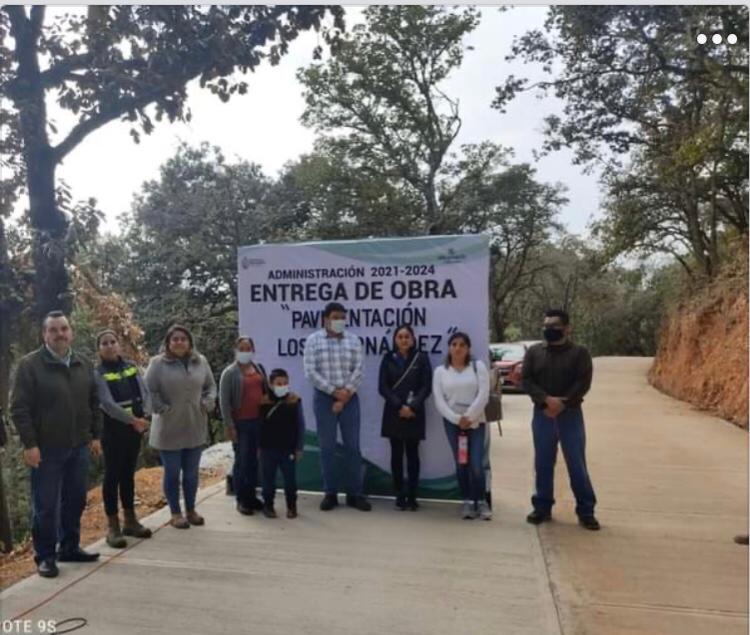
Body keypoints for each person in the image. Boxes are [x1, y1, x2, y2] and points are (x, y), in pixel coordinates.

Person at [10, 311, 103, 578]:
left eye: (64, 329)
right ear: (45, 335)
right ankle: (46, 556)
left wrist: (95, 436)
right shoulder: (30, 365)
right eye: (53, 330)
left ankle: (70, 547)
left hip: (79, 446)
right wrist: (30, 445)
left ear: (71, 332)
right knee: (46, 505)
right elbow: (19, 409)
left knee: (75, 500)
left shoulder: (83, 363)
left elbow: (93, 403)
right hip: (46, 449)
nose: (60, 334)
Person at [522, 309, 600, 531]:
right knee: (543, 463)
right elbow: (527, 380)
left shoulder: (580, 353)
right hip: (542, 414)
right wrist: (546, 400)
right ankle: (542, 507)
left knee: (576, 464)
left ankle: (586, 511)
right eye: (545, 326)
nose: (549, 330)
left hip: (570, 415)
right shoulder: (534, 352)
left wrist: (563, 403)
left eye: (554, 326)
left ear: (567, 328)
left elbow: (583, 382)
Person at [146, 325, 216, 529]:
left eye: (183, 339)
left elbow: (210, 386)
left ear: (189, 342)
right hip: (169, 427)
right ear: (168, 343)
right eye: (174, 339)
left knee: (192, 472)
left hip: (194, 424)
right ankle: (175, 513)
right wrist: (161, 408)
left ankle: (191, 510)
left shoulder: (200, 361)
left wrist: (208, 401)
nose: (179, 342)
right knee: (173, 472)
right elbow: (149, 390)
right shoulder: (157, 364)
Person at [303, 302, 371, 512]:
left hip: (350, 399)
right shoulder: (313, 340)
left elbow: (359, 370)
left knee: (353, 447)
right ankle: (330, 493)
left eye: (342, 317)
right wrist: (334, 393)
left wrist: (345, 395)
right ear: (325, 319)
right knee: (327, 448)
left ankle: (355, 494)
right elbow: (310, 372)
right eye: (335, 316)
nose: (340, 320)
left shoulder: (354, 340)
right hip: (324, 399)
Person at [94, 330, 153, 548]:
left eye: (113, 341)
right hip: (113, 431)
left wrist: (145, 416)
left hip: (134, 431)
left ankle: (130, 520)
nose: (109, 345)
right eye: (104, 343)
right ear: (99, 349)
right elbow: (107, 404)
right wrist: (133, 420)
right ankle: (113, 527)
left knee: (128, 474)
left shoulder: (131, 367)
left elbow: (145, 392)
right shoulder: (97, 373)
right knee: (112, 476)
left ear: (119, 345)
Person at [432, 332, 491, 520]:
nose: (457, 348)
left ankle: (481, 502)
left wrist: (469, 416)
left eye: (462, 345)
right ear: (449, 347)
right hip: (452, 423)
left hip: (475, 422)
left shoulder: (478, 367)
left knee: (476, 464)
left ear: (468, 349)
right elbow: (439, 400)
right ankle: (466, 501)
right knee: (461, 463)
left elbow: (484, 394)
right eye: (454, 344)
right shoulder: (440, 371)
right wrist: (457, 419)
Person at [378, 324, 432, 511]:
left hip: (414, 413)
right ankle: (400, 494)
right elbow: (382, 387)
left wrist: (411, 406)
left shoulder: (422, 358)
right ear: (395, 340)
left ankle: (412, 496)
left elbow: (426, 387)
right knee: (396, 455)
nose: (403, 340)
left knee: (413, 455)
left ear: (413, 339)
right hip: (394, 412)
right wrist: (399, 405)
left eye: (407, 336)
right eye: (400, 337)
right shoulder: (387, 358)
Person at [219, 336, 268, 516]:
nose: (245, 351)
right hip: (241, 424)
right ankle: (241, 499)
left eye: (248, 348)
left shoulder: (258, 369)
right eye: (242, 348)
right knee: (242, 462)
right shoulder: (229, 373)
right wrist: (229, 426)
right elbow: (224, 402)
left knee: (255, 462)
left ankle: (252, 497)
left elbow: (266, 392)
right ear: (235, 350)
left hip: (258, 422)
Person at [258, 369, 305, 519]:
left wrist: (299, 448)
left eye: (285, 383)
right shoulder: (263, 401)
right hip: (267, 448)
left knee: (290, 480)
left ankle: (292, 507)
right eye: (279, 383)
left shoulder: (294, 401)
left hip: (288, 449)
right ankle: (268, 506)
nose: (282, 386)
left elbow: (300, 425)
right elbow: (258, 426)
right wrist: (258, 447)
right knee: (268, 480)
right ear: (271, 385)